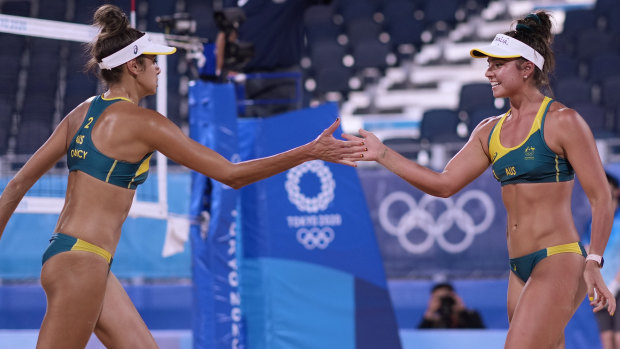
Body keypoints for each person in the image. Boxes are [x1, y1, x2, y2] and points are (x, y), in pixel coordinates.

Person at [0, 5, 364, 348]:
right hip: (83, 263)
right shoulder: (147, 124)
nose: (159, 69)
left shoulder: (82, 113)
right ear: (132, 67)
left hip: (71, 255)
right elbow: (231, 175)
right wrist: (310, 151)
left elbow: (15, 185)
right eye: (153, 62)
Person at [347, 11, 616, 348]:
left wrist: (593, 260)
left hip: (558, 259)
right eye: (488, 64)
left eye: (497, 64)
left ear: (526, 68)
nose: (488, 72)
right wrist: (383, 154)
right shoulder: (489, 130)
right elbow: (444, 185)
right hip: (519, 268)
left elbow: (601, 197)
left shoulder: (563, 121)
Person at [583, 172, 620, 349]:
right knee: (607, 340)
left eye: (608, 186)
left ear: (616, 192)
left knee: (618, 338)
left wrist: (615, 283)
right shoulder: (592, 223)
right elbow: (587, 249)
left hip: (617, 286)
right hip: (600, 286)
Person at [417, 282, 485, 329]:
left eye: (446, 298)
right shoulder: (432, 321)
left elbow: (481, 335)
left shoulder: (470, 315)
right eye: (439, 299)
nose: (444, 302)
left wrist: (463, 311)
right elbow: (418, 340)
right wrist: (430, 313)